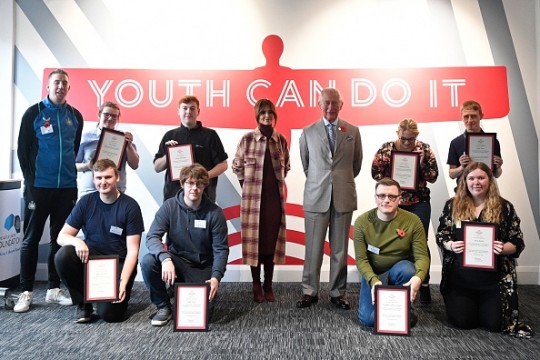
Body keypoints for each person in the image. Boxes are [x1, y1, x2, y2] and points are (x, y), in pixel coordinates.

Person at [436, 162, 532, 338]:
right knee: (463, 322)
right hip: (461, 278)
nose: (476, 182)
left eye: (481, 177)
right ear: (465, 180)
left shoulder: (505, 207)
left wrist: (504, 248)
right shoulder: (452, 205)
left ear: (490, 180)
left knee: (494, 324)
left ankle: (486, 306)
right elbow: (442, 235)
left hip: (494, 280)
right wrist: (450, 245)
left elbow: (517, 240)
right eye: (471, 178)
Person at [15, 68, 84, 313]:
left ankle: (54, 289)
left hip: (66, 188)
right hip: (38, 188)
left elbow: (73, 148)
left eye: (64, 83)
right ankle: (26, 291)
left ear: (68, 87)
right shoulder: (33, 113)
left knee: (59, 238)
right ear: (48, 85)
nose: (60, 87)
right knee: (31, 238)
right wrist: (32, 181)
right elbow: (23, 150)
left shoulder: (75, 115)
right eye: (56, 82)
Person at [296, 88, 363, 310]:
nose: (330, 107)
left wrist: (338, 181)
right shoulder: (307, 132)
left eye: (335, 103)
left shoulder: (353, 130)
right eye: (326, 103)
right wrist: (322, 182)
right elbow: (307, 166)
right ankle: (309, 291)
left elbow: (356, 165)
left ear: (341, 105)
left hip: (343, 197)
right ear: (319, 104)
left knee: (340, 249)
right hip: (316, 197)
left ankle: (338, 293)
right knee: (313, 248)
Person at [55, 159, 144, 323]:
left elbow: (133, 252)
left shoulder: (130, 206)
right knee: (63, 255)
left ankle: (107, 298)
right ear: (94, 179)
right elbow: (62, 236)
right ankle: (84, 304)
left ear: (117, 177)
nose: (103, 182)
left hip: (119, 263)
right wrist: (78, 242)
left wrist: (122, 283)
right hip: (91, 260)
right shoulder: (86, 202)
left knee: (110, 316)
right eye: (99, 178)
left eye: (108, 177)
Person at [141, 164, 229, 326]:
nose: (194, 188)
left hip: (201, 266)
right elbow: (152, 237)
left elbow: (221, 250)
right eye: (190, 183)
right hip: (175, 262)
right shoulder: (169, 207)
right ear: (182, 184)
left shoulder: (215, 213)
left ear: (204, 185)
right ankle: (163, 306)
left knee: (203, 317)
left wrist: (216, 277)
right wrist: (165, 259)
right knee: (148, 261)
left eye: (199, 184)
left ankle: (179, 288)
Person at [371, 118, 438, 304]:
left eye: (411, 139)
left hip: (419, 202)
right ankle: (395, 281)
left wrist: (422, 164)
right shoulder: (386, 149)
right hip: (394, 203)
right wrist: (392, 172)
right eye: (404, 138)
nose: (408, 143)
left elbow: (433, 177)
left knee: (420, 242)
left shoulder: (424, 149)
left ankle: (423, 284)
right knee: (393, 241)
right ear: (397, 134)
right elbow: (374, 173)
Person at [232, 99, 290, 302]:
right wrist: (246, 187)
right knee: (253, 242)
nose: (267, 116)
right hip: (252, 202)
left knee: (270, 242)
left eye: (270, 113)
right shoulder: (247, 139)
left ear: (275, 116)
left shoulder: (280, 140)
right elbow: (237, 165)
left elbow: (287, 166)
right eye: (263, 113)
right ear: (257, 116)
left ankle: (268, 285)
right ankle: (256, 284)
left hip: (274, 201)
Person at [353, 178, 430, 327]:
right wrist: (374, 281)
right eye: (382, 196)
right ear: (376, 198)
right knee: (369, 320)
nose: (386, 200)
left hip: (399, 271)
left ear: (399, 199)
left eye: (392, 196)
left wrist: (418, 278)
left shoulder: (413, 221)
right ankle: (398, 308)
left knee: (408, 269)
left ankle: (404, 305)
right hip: (373, 273)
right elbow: (361, 260)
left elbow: (422, 256)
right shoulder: (362, 222)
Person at [153, 95, 228, 202]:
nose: (188, 111)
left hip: (203, 197)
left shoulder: (210, 135)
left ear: (198, 111)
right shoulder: (169, 136)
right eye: (185, 108)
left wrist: (204, 176)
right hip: (173, 197)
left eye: (192, 108)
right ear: (178, 111)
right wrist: (168, 153)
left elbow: (223, 164)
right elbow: (157, 168)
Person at [75, 101, 139, 196]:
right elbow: (73, 166)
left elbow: (135, 165)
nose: (110, 118)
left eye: (114, 116)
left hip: (116, 193)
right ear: (99, 115)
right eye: (106, 114)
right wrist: (88, 165)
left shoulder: (124, 139)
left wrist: (128, 145)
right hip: (89, 193)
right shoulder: (85, 137)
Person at [447, 100, 503, 182]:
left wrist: (498, 167)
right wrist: (462, 167)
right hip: (463, 191)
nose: (469, 120)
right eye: (466, 117)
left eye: (473, 116)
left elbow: (497, 174)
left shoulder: (492, 142)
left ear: (481, 116)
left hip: (487, 190)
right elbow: (451, 174)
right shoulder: (455, 143)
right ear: (461, 117)